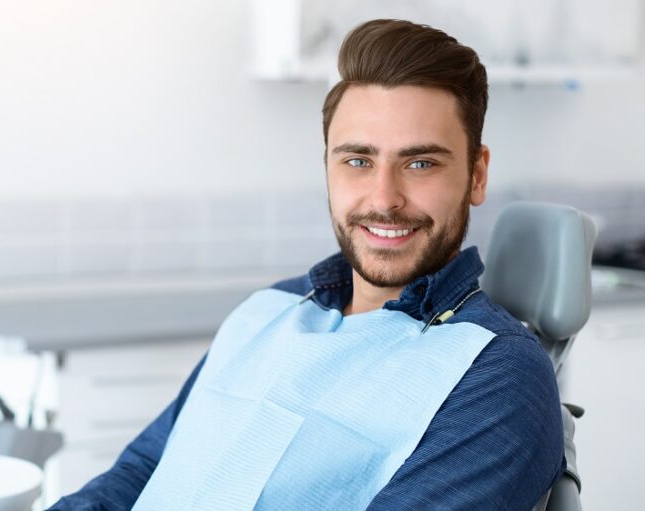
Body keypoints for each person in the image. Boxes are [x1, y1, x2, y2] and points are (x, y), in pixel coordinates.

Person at [49, 19, 564, 510]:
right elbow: (141, 471)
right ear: (327, 167)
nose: (384, 199)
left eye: (420, 163)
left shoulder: (496, 374)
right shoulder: (269, 310)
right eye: (358, 161)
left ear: (476, 175)